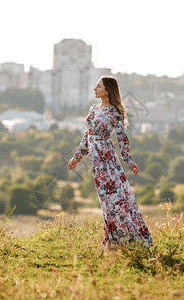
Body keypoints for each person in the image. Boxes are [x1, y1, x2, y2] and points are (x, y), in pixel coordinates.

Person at [67, 75, 153, 248]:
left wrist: (129, 160)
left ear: (107, 90)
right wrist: (76, 157)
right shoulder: (93, 109)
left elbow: (121, 138)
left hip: (107, 160)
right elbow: (88, 135)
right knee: (105, 200)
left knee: (115, 199)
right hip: (96, 160)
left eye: (98, 86)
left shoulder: (115, 112)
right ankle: (113, 239)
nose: (95, 88)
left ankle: (123, 239)